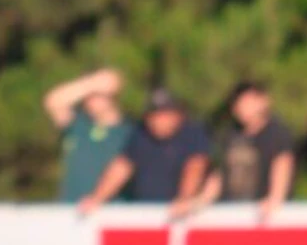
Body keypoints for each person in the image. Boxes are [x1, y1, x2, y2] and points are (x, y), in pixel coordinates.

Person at [78, 88, 211, 217]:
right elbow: (122, 166)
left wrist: (184, 198)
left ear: (177, 115)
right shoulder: (140, 133)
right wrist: (97, 198)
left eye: (164, 115)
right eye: (154, 115)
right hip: (144, 213)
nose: (158, 121)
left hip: (182, 214)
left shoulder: (193, 133)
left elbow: (195, 167)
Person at [198, 81, 296, 221]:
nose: (242, 108)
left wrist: (275, 198)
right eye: (238, 103)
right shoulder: (229, 135)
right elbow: (220, 174)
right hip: (231, 212)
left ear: (264, 101)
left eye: (247, 102)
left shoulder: (277, 134)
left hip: (262, 212)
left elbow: (282, 165)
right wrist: (201, 200)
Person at [43, 68, 133, 202]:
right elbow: (53, 102)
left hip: (114, 212)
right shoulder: (78, 125)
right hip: (71, 211)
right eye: (87, 96)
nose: (90, 100)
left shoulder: (130, 131)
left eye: (97, 95)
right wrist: (92, 83)